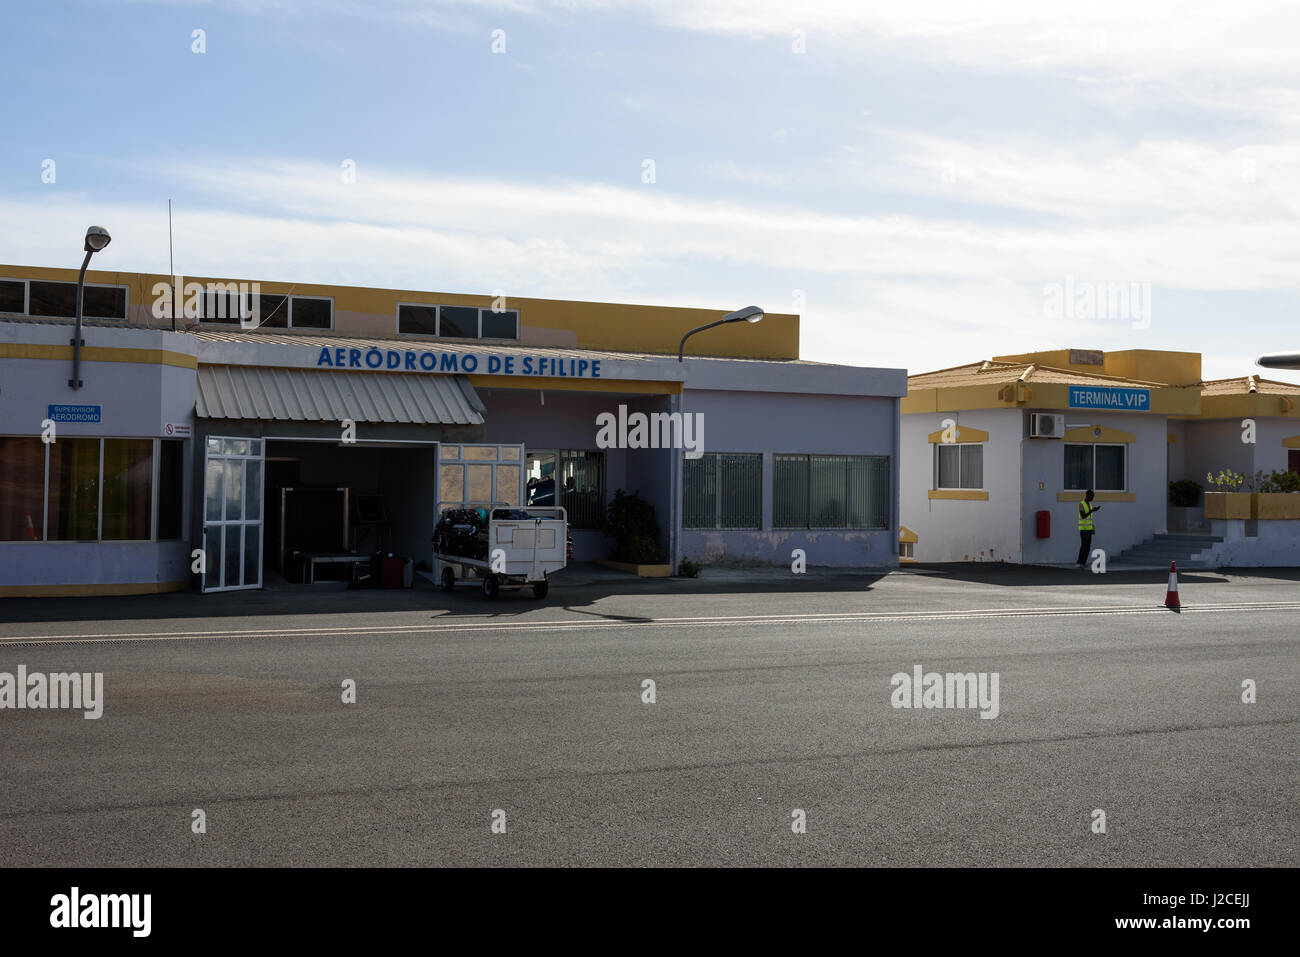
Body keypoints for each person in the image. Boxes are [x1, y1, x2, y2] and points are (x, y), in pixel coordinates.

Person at [1076, 489, 1101, 567]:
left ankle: (1083, 562)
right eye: (1092, 496)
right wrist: (1092, 511)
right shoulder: (1081, 504)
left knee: (1088, 546)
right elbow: (1083, 516)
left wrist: (1092, 529)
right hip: (1083, 529)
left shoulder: (1089, 505)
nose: (1093, 498)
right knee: (1084, 545)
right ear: (1087, 495)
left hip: (1089, 529)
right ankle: (1079, 562)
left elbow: (1089, 518)